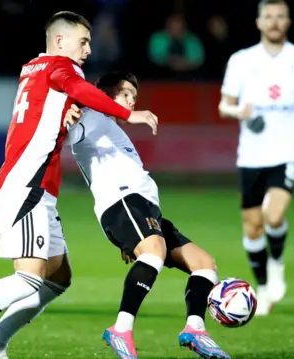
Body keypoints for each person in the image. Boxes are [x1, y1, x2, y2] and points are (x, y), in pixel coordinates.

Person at [0, 11, 159, 359]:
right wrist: (128, 113)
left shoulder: (34, 68)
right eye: (84, 41)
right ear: (60, 41)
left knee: (57, 277)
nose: (89, 50)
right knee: (30, 276)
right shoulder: (60, 67)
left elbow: (59, 108)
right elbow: (77, 87)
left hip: (37, 184)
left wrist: (69, 115)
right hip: (28, 181)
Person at [66, 72, 230, 359]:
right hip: (122, 201)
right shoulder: (90, 116)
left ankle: (195, 329)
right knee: (153, 253)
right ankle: (121, 328)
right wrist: (67, 115)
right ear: (104, 93)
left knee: (204, 264)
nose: (131, 101)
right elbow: (67, 130)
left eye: (134, 96)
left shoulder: (110, 127)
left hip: (144, 209)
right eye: (125, 93)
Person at [218, 0, 294, 316]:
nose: (274, 22)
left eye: (280, 16)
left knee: (274, 215)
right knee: (252, 226)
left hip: (287, 151)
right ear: (258, 22)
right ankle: (264, 287)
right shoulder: (241, 61)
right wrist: (238, 110)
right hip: (251, 155)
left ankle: (277, 262)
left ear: (288, 22)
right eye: (269, 17)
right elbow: (223, 105)